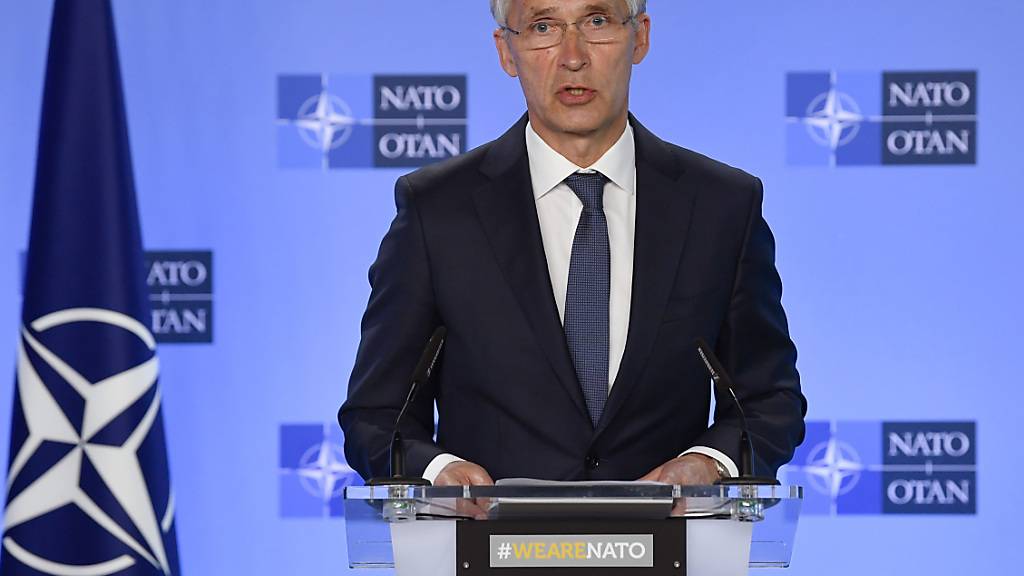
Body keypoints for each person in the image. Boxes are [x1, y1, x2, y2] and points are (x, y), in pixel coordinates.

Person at [339, 0, 806, 487]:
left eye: (597, 21)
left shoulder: (722, 206)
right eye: (543, 27)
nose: (573, 55)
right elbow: (376, 415)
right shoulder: (437, 211)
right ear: (506, 51)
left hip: (665, 549)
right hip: (491, 550)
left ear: (640, 37)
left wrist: (709, 462)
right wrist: (440, 471)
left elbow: (769, 401)